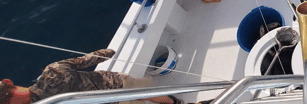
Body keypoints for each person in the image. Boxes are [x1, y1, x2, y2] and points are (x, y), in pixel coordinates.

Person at [0, 49, 179, 104]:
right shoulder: (52, 70)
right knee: (146, 93)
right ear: (8, 82)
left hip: (114, 93)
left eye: (7, 97)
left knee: (147, 94)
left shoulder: (52, 72)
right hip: (115, 86)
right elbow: (90, 59)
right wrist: (109, 52)